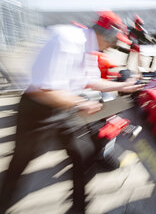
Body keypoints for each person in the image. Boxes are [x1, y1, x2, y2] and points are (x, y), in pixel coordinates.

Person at [0, 11, 144, 214]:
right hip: (37, 109)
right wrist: (80, 104)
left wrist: (123, 87)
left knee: (83, 155)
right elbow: (43, 90)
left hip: (65, 106)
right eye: (114, 41)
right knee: (21, 160)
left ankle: (79, 208)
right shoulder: (66, 40)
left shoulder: (91, 49)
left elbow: (91, 81)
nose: (114, 46)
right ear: (106, 35)